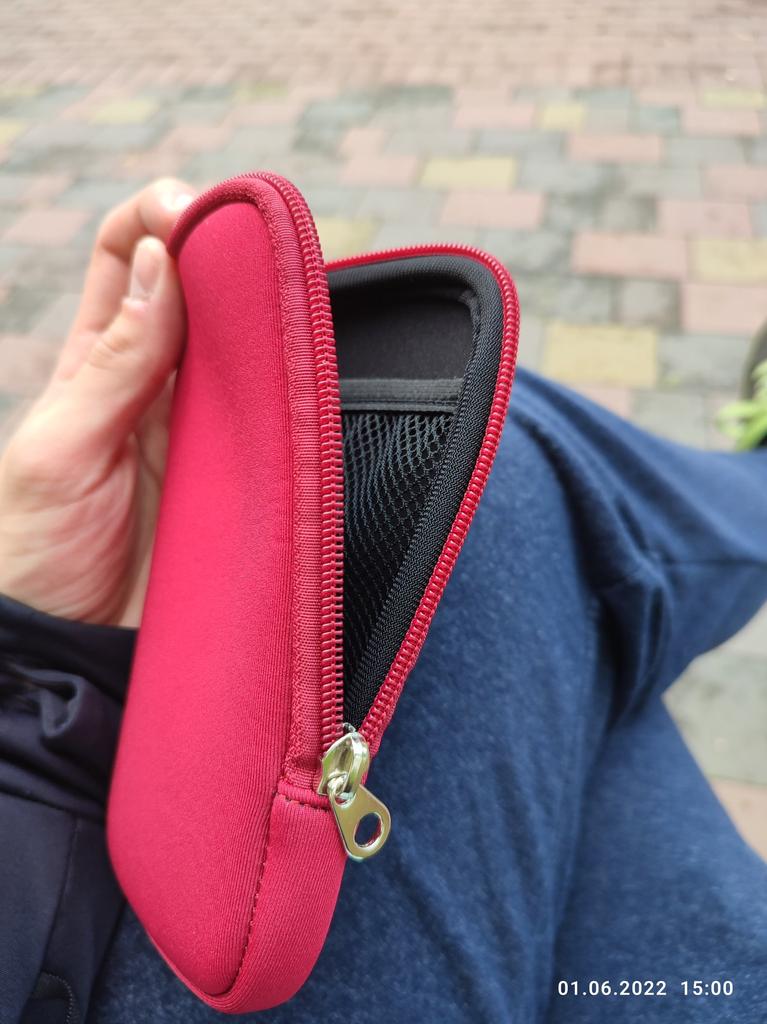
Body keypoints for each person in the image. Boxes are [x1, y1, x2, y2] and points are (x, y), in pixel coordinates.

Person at [0, 179, 765, 1024]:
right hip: (166, 923)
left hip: (78, 832)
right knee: (508, 493)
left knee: (602, 724)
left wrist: (37, 650)